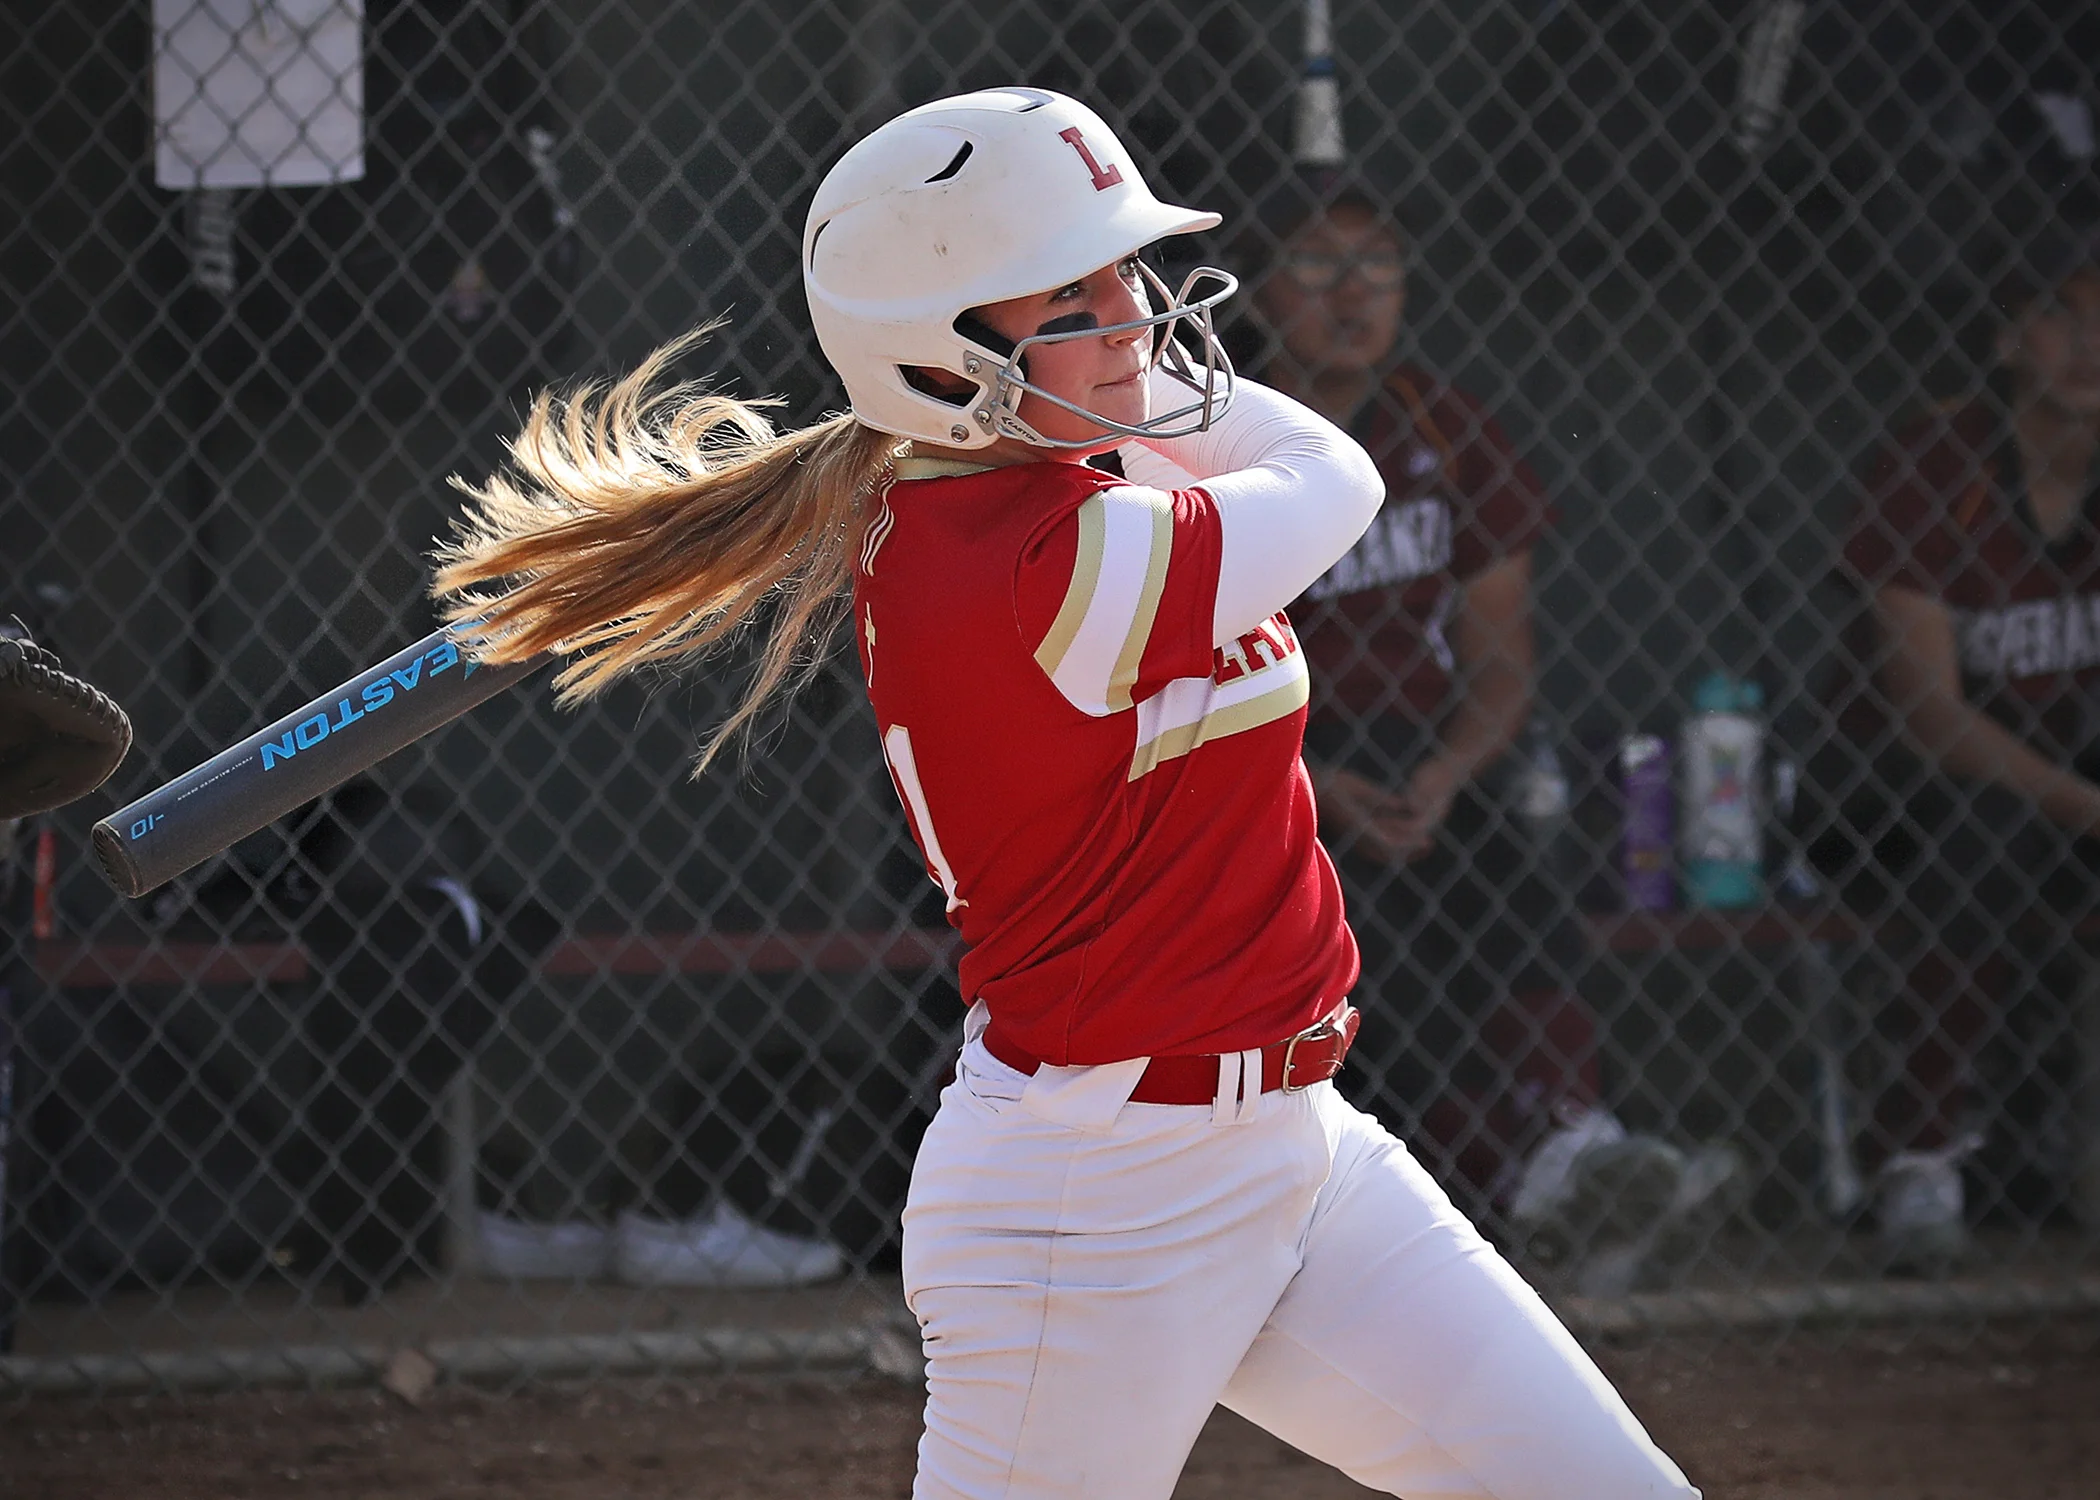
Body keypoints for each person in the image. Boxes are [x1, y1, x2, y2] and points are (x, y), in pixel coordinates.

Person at [433, 89, 1697, 1499]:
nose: (1138, 312)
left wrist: (1048, 364)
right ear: (946, 356)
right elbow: (1333, 476)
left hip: (1300, 1149)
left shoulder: (1036, 480)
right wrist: (1080, 379)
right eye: (1077, 293)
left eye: (1125, 275)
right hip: (1097, 1206)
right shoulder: (1046, 563)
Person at [1122, 175, 1740, 1290]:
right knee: (1355, 897)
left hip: (1422, 751)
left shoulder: (1444, 429)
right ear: (1257, 288)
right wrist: (1317, 777)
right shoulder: (1205, 438)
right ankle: (1515, 1182)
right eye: (1318, 265)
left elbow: (1503, 661)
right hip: (1255, 742)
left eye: (1378, 266)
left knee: (1503, 843)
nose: (1353, 294)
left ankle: (1570, 1144)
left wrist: (1453, 769)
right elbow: (1158, 674)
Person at [1826, 227, 2100, 1269]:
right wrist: (2082, 807)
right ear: (2006, 338)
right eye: (2061, 318)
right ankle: (1921, 1158)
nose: (2089, 346)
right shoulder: (1940, 462)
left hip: (2068, 780)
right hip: (1895, 800)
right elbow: (1927, 714)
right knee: (1989, 829)